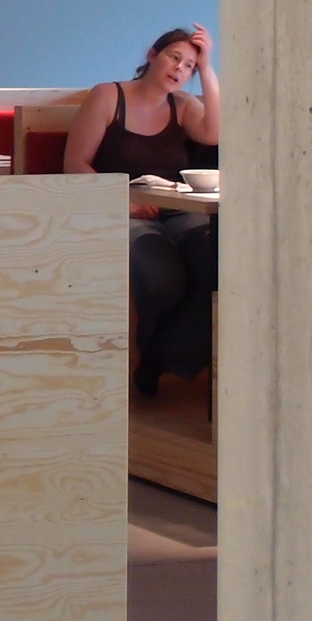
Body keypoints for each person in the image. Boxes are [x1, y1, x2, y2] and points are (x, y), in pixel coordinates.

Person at [63, 25, 221, 399]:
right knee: (164, 280)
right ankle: (159, 356)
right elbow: (75, 164)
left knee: (220, 266)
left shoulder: (183, 105)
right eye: (174, 57)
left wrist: (208, 68)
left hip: (178, 208)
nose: (180, 68)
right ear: (152, 55)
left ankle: (157, 358)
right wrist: (123, 202)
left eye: (189, 66)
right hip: (122, 210)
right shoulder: (108, 96)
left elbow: (215, 134)